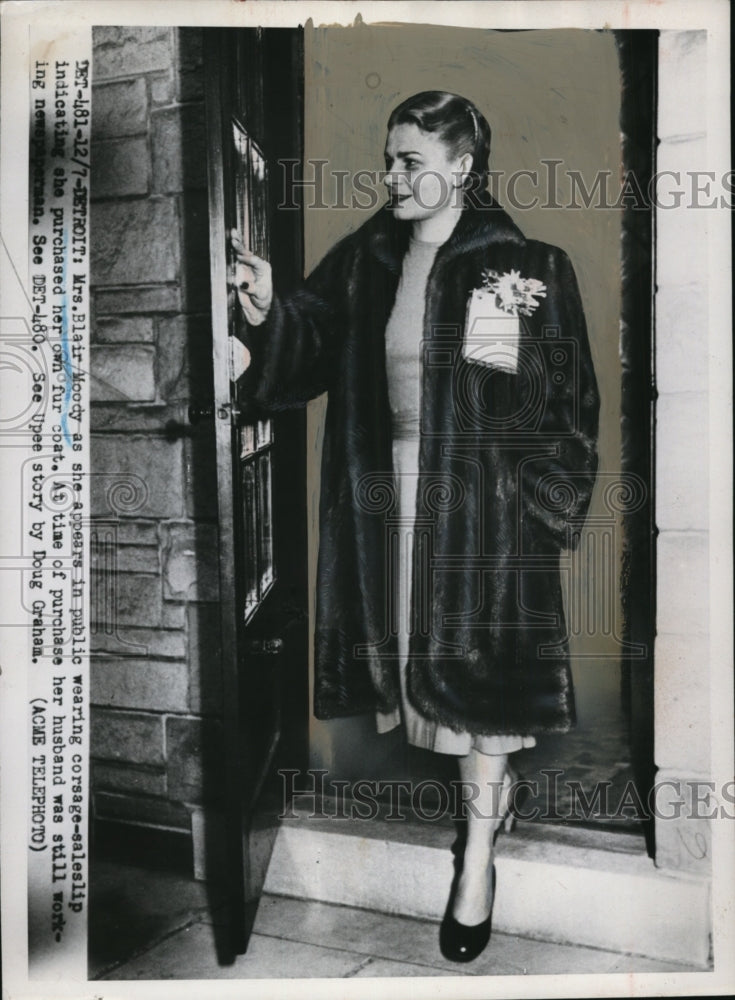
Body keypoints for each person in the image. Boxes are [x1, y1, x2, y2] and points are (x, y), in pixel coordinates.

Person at [231, 91, 599, 962]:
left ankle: (475, 863)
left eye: (408, 160)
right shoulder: (366, 257)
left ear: (462, 166)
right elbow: (308, 343)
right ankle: (486, 810)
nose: (389, 175)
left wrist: (533, 517)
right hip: (383, 502)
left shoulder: (525, 264)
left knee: (478, 696)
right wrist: (265, 303)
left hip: (483, 518)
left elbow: (567, 406)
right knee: (414, 670)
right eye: (387, 157)